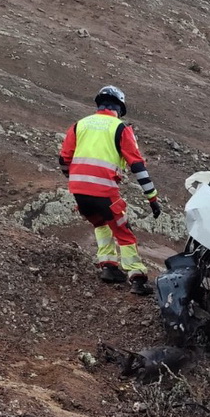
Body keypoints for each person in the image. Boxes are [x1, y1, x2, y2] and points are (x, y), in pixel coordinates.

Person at [58, 85, 161, 296]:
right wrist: (152, 198)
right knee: (124, 232)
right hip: (104, 191)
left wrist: (76, 180)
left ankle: (108, 266)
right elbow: (137, 166)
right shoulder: (120, 128)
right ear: (119, 108)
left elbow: (63, 159)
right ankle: (137, 278)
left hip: (79, 191)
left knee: (101, 223)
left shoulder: (80, 125)